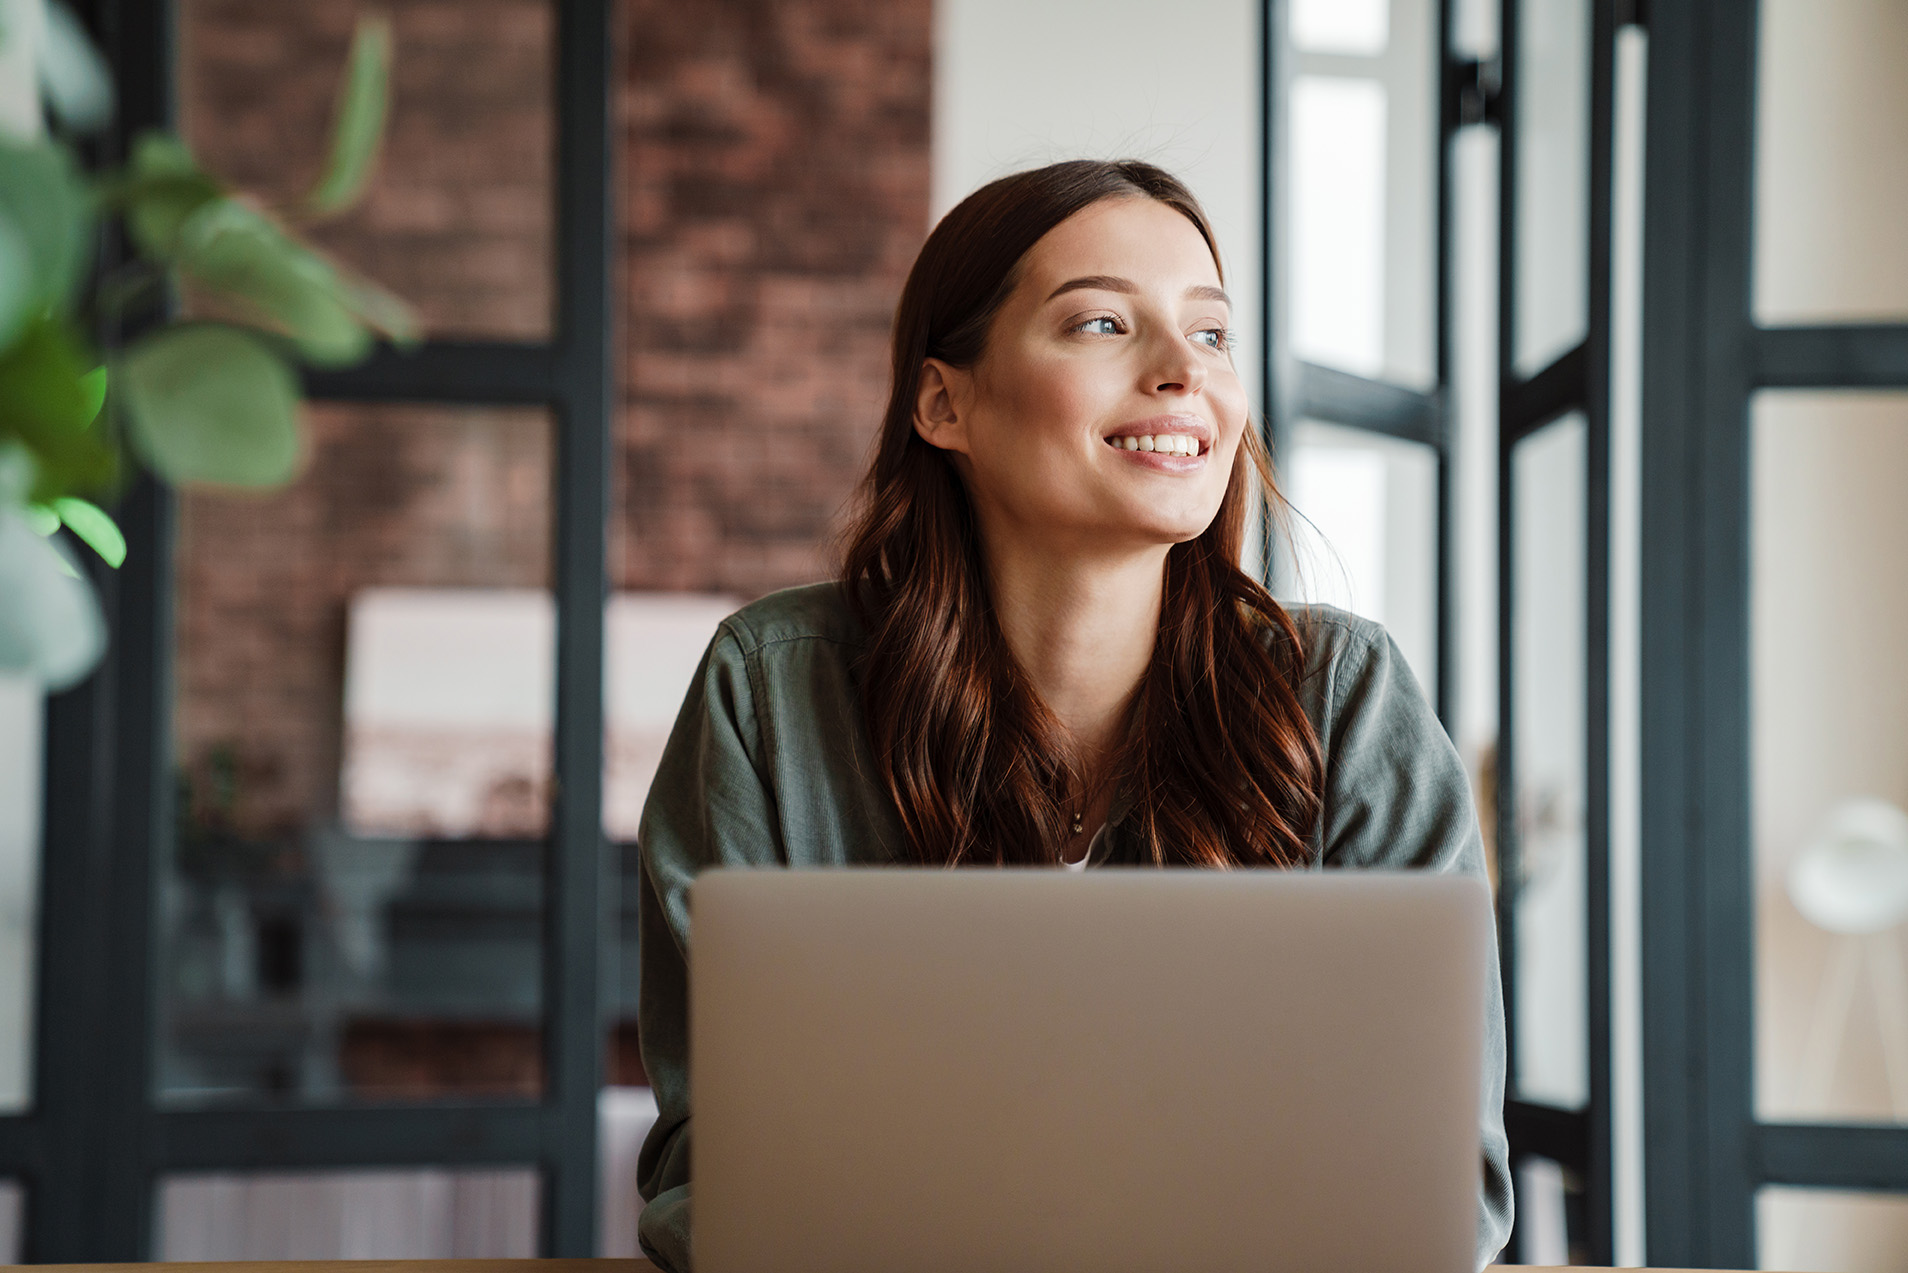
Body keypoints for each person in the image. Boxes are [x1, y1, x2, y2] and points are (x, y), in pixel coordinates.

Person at [633, 158, 1513, 1272]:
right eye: (1102, 323)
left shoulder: (1345, 699)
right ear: (944, 402)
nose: (1180, 374)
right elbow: (708, 1177)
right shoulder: (770, 690)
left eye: (1210, 334)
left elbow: (1444, 1189)